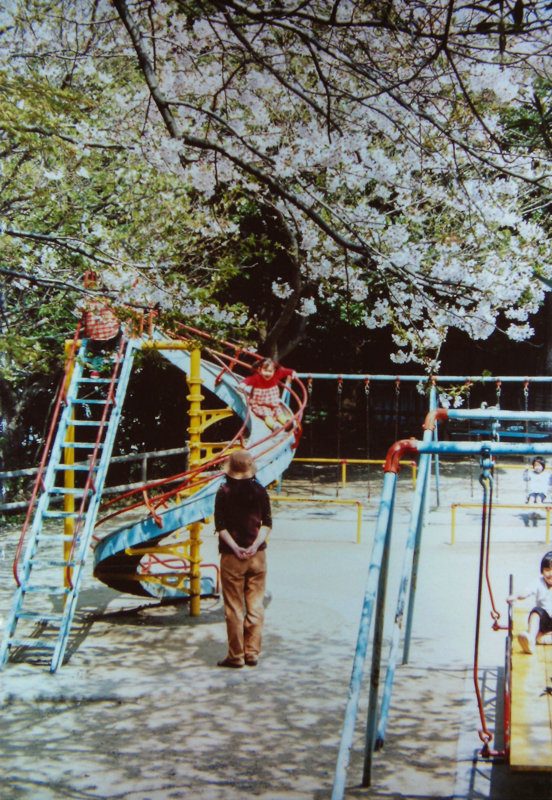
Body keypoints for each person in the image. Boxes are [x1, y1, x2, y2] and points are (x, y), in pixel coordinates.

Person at [215, 450, 271, 668]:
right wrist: (254, 545)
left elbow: (220, 526)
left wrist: (237, 548)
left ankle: (236, 656)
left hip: (232, 557)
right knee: (255, 606)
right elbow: (267, 523)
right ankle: (252, 653)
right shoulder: (260, 491)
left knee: (234, 608)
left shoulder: (223, 491)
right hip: (257, 556)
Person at [507, 551, 552, 654]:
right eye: (547, 570)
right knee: (536, 612)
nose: (550, 574)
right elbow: (526, 591)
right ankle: (531, 639)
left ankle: (543, 638)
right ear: (542, 571)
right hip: (545, 622)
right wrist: (516, 595)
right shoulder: (539, 583)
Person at [76, 287, 122, 378]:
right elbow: (121, 310)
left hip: (94, 333)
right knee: (120, 332)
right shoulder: (110, 300)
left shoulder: (88, 299)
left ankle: (95, 371)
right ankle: (116, 351)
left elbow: (78, 311)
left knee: (97, 351)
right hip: (110, 331)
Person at [240, 358, 297, 430]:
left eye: (270, 371)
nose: (268, 373)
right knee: (268, 416)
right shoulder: (257, 378)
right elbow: (248, 379)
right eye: (265, 371)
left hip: (273, 404)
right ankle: (274, 425)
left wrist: (293, 372)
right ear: (260, 370)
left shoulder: (276, 375)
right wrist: (243, 383)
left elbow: (285, 371)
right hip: (261, 405)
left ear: (274, 371)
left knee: (279, 413)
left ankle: (287, 422)